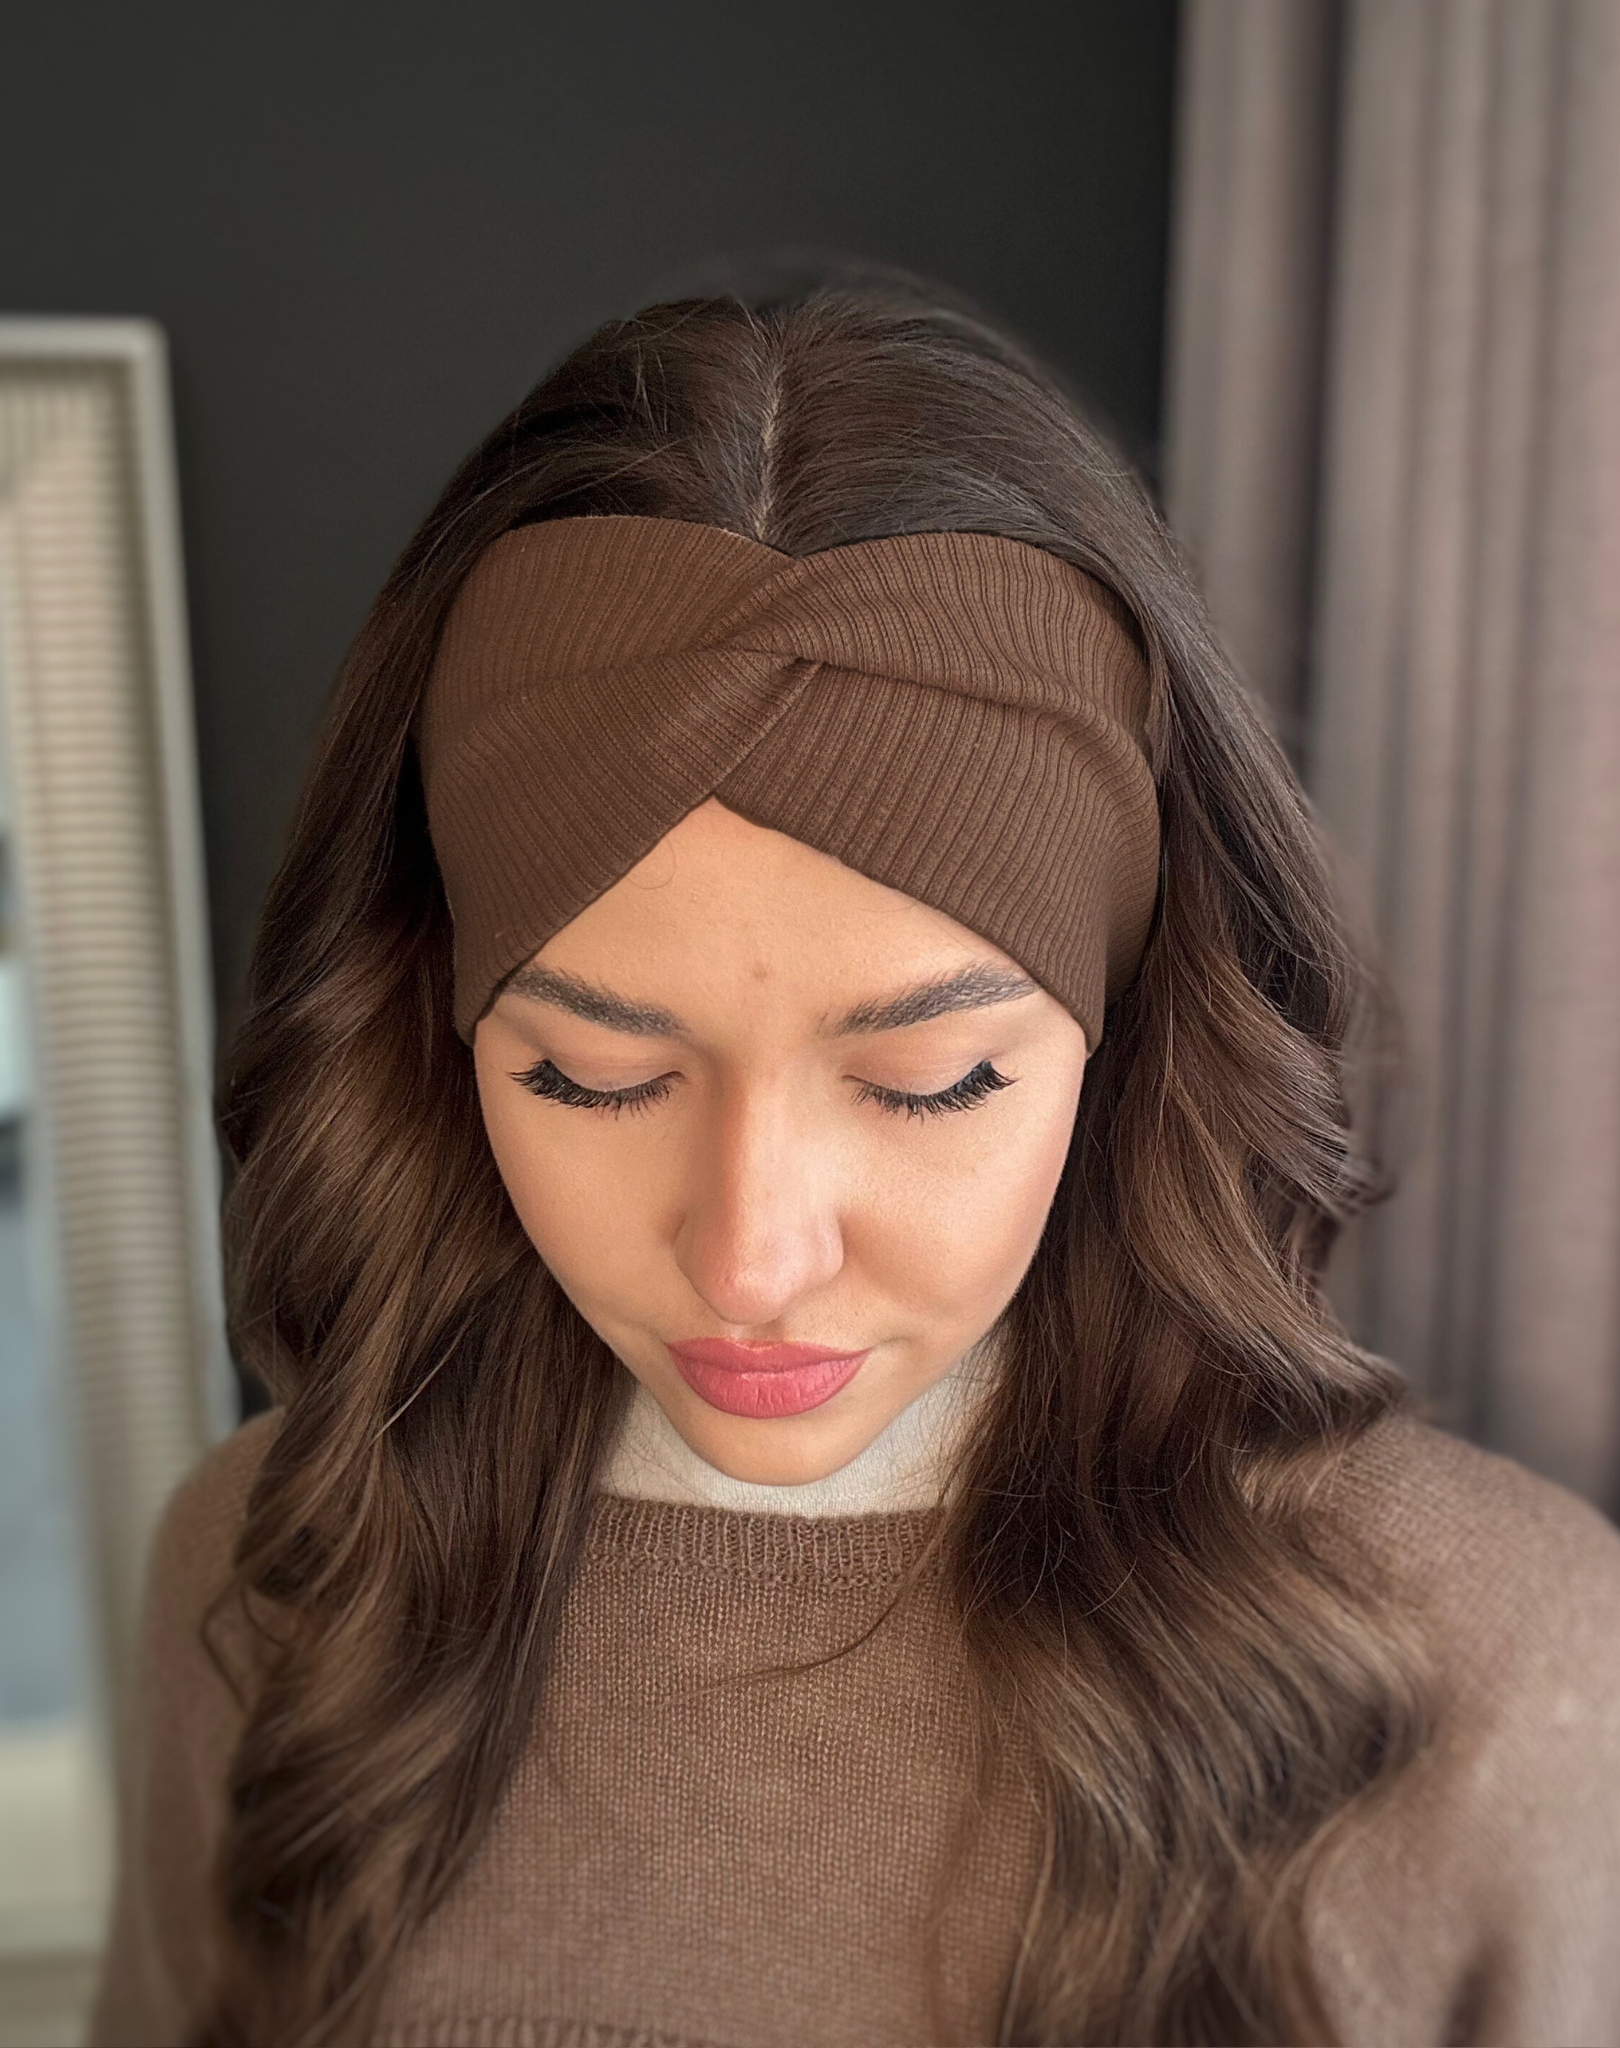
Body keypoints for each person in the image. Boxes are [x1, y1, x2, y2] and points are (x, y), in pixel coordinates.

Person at [89, 274, 1620, 2048]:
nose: (751, 1261)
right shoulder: (279, 1581)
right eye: (592, 1077)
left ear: (1121, 1038)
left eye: (934, 1081)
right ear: (435, 1032)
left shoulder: (1504, 1671)